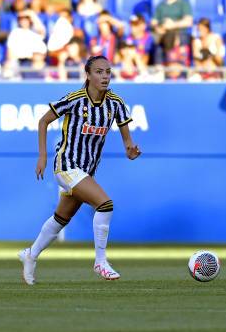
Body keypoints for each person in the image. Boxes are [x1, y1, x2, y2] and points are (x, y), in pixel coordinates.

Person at [19, 55, 141, 285]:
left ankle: (30, 254)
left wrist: (130, 151)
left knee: (61, 217)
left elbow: (127, 142)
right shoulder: (75, 99)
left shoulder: (115, 103)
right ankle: (100, 261)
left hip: (86, 170)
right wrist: (42, 156)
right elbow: (43, 121)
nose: (105, 76)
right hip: (66, 165)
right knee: (105, 204)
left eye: (108, 71)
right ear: (88, 74)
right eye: (99, 71)